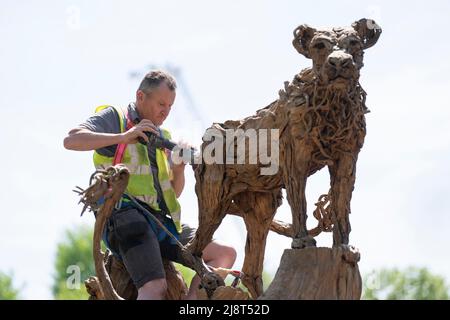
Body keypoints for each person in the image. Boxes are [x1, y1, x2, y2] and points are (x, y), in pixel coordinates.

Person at [64, 70, 236, 300]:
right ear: (140, 97)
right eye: (161, 103)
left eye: (170, 106)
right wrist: (124, 136)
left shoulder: (161, 136)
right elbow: (71, 140)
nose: (165, 111)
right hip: (124, 218)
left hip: (160, 222)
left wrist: (178, 168)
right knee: (155, 288)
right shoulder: (115, 118)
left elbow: (171, 193)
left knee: (224, 254)